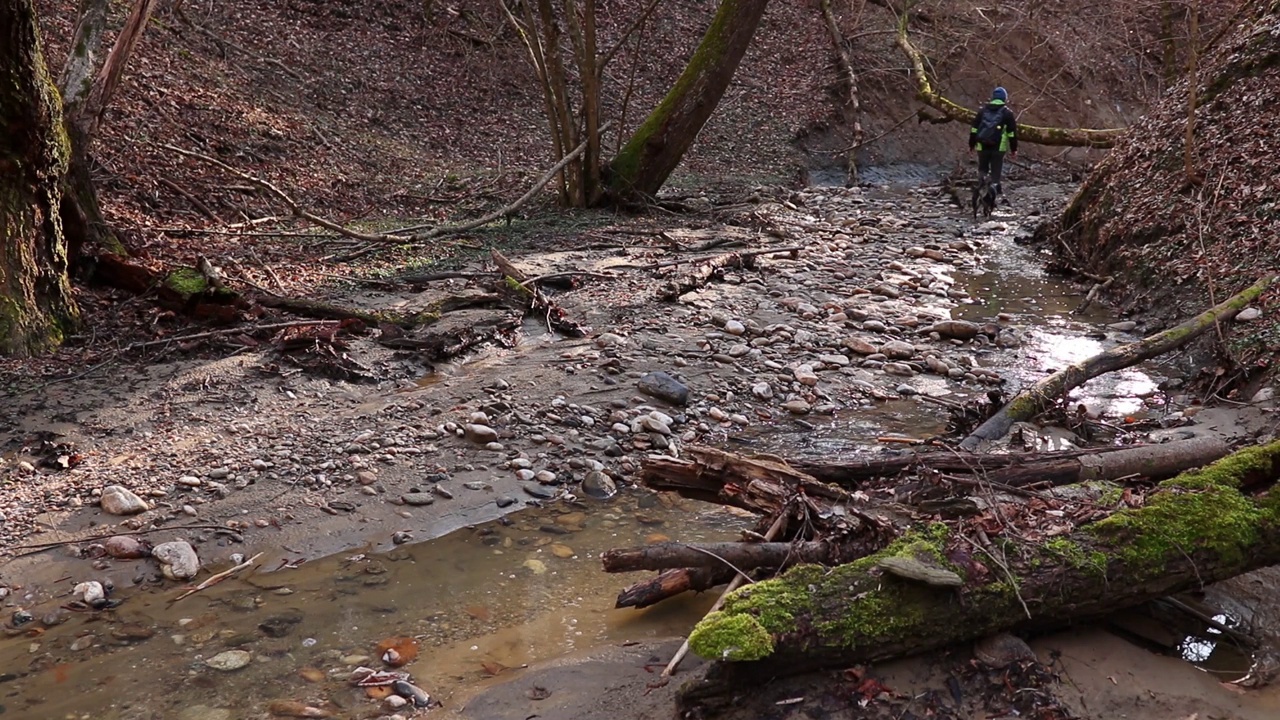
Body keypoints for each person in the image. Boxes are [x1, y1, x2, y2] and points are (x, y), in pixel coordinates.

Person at [969, 86, 1018, 199]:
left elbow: (974, 129)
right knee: (996, 171)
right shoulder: (1007, 113)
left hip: (982, 145)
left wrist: (971, 145)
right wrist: (1014, 149)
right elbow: (1012, 134)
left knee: (983, 167)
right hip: (998, 147)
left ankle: (981, 189)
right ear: (1004, 98)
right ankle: (993, 195)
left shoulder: (982, 111)